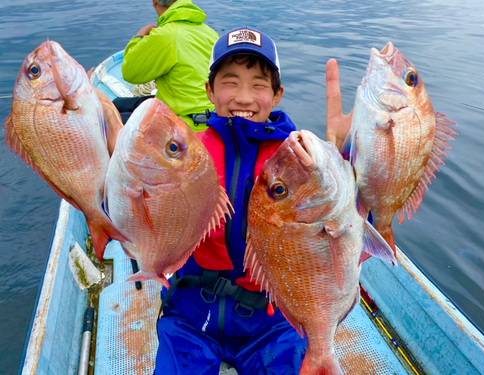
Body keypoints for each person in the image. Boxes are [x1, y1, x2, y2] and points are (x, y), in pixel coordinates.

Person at [154, 26, 352, 375]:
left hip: (273, 316)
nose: (244, 97)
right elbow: (140, 210)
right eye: (230, 81)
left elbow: (348, 216)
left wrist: (345, 156)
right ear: (210, 91)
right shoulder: (186, 152)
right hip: (191, 308)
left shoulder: (299, 161)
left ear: (277, 95)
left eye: (259, 84)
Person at [119, 0, 218, 131]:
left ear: (154, 2)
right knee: (119, 103)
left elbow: (129, 72)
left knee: (111, 117)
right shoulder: (211, 33)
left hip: (182, 124)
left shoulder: (166, 34)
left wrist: (139, 36)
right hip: (210, 117)